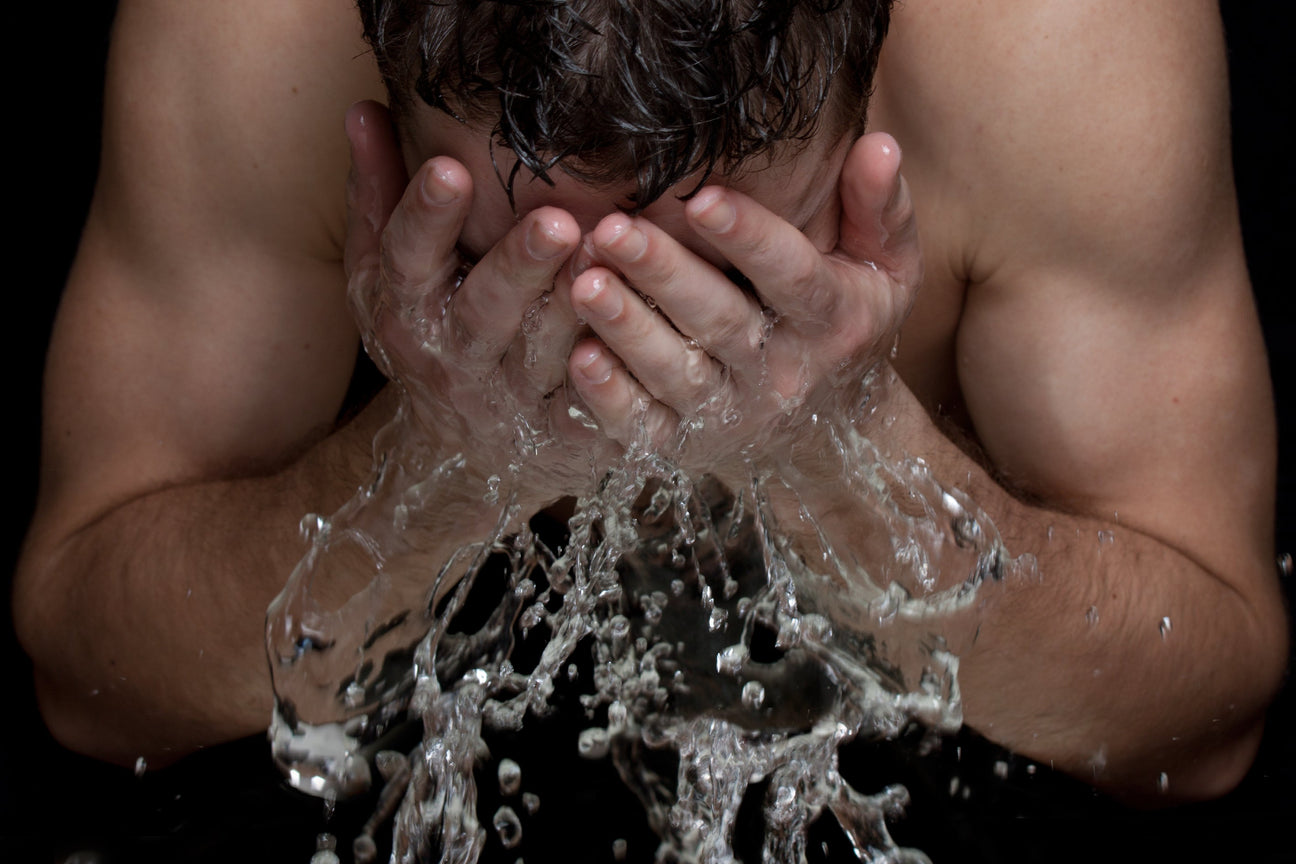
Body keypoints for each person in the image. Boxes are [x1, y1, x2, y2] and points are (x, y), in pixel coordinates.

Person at [12, 0, 1284, 830]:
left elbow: (1208, 722)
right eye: (526, 268)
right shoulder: (246, 38)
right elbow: (89, 692)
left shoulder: (1062, 43)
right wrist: (449, 460)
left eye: (731, 280)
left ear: (873, 67)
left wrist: (845, 453)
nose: (631, 353)